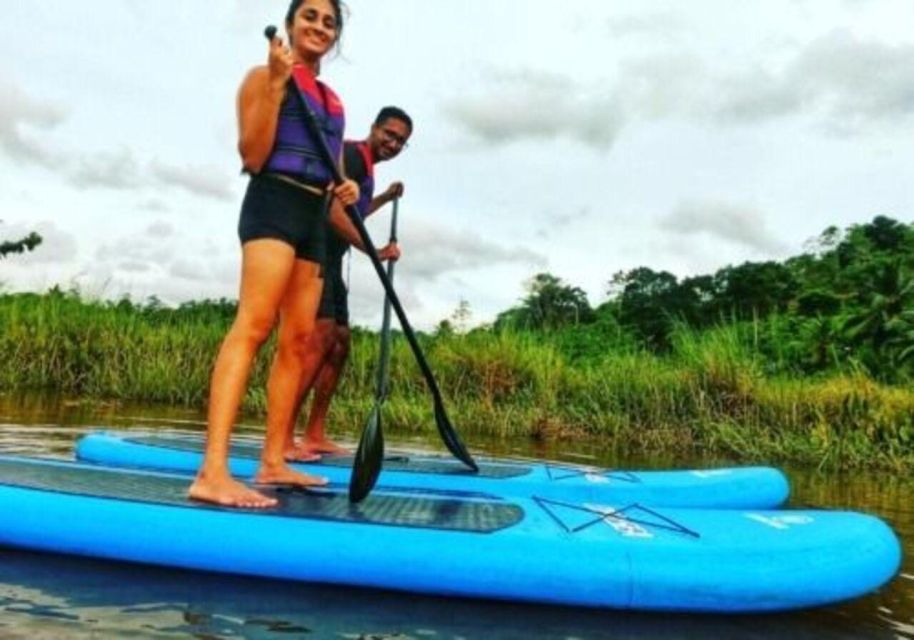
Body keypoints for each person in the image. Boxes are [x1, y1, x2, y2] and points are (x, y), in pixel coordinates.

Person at [189, 0, 398, 508]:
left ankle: (274, 458)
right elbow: (253, 155)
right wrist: (279, 84)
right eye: (310, 16)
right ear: (290, 24)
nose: (319, 27)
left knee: (301, 340)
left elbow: (327, 173)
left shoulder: (333, 101)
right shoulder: (261, 76)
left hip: (312, 217)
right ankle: (212, 471)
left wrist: (344, 188)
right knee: (255, 325)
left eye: (329, 22)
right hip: (273, 202)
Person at [285, 107, 414, 460]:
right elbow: (333, 212)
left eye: (401, 141)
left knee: (340, 344)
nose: (393, 143)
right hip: (314, 254)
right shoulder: (353, 155)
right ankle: (281, 437)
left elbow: (355, 210)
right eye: (389, 134)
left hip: (333, 258)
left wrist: (385, 197)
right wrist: (376, 251)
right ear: (373, 128)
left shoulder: (367, 169)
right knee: (322, 337)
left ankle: (314, 434)